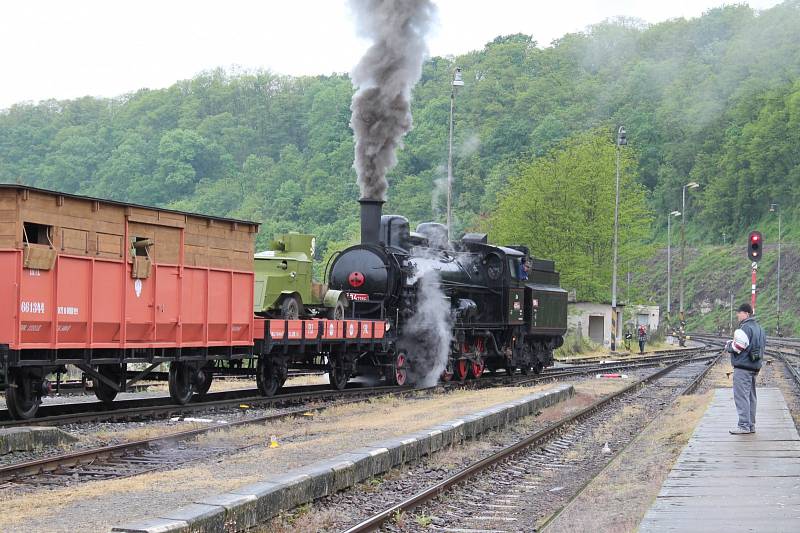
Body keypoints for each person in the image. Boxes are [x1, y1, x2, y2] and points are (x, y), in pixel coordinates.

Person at [724, 303, 765, 434]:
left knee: (741, 397)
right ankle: (751, 425)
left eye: (739, 312)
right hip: (755, 367)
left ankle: (743, 426)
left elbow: (738, 347)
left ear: (746, 313)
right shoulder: (760, 328)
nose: (737, 314)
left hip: (743, 368)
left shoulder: (744, 328)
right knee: (751, 397)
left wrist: (729, 345)